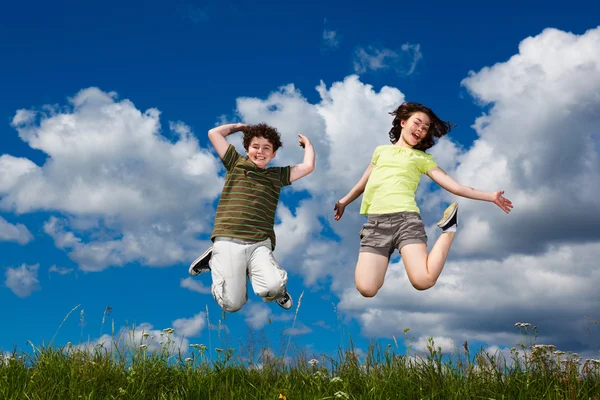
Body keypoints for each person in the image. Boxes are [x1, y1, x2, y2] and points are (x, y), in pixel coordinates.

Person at [333, 102, 513, 297]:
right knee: (367, 289)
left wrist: (491, 196)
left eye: (425, 128)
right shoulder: (380, 152)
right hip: (376, 225)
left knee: (423, 280)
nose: (420, 130)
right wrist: (344, 202)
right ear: (402, 122)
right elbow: (363, 182)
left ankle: (449, 229)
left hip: (405, 221)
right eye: (417, 123)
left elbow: (455, 186)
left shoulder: (421, 159)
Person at [188, 122, 315, 312]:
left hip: (259, 243)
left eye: (266, 148)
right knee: (232, 305)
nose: (260, 152)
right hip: (228, 238)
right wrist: (239, 127)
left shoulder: (277, 176)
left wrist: (308, 145)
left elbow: (308, 166)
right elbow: (213, 133)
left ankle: (280, 292)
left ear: (273, 154)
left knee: (273, 287)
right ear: (247, 149)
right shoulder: (236, 163)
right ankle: (215, 258)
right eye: (255, 146)